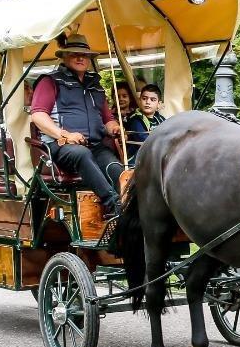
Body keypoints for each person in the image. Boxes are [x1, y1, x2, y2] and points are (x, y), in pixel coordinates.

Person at [29, 33, 124, 215]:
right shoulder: (50, 81)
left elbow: (107, 119)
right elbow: (38, 116)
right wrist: (65, 135)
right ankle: (113, 204)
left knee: (115, 167)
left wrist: (114, 127)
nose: (80, 58)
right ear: (64, 56)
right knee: (82, 154)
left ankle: (127, 207)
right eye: (74, 54)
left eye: (85, 55)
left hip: (95, 146)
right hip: (60, 146)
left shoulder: (95, 86)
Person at [124, 84, 165, 162]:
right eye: (144, 98)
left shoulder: (160, 119)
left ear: (159, 104)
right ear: (139, 100)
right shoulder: (135, 120)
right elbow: (144, 140)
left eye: (152, 100)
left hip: (156, 154)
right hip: (137, 159)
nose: (148, 102)